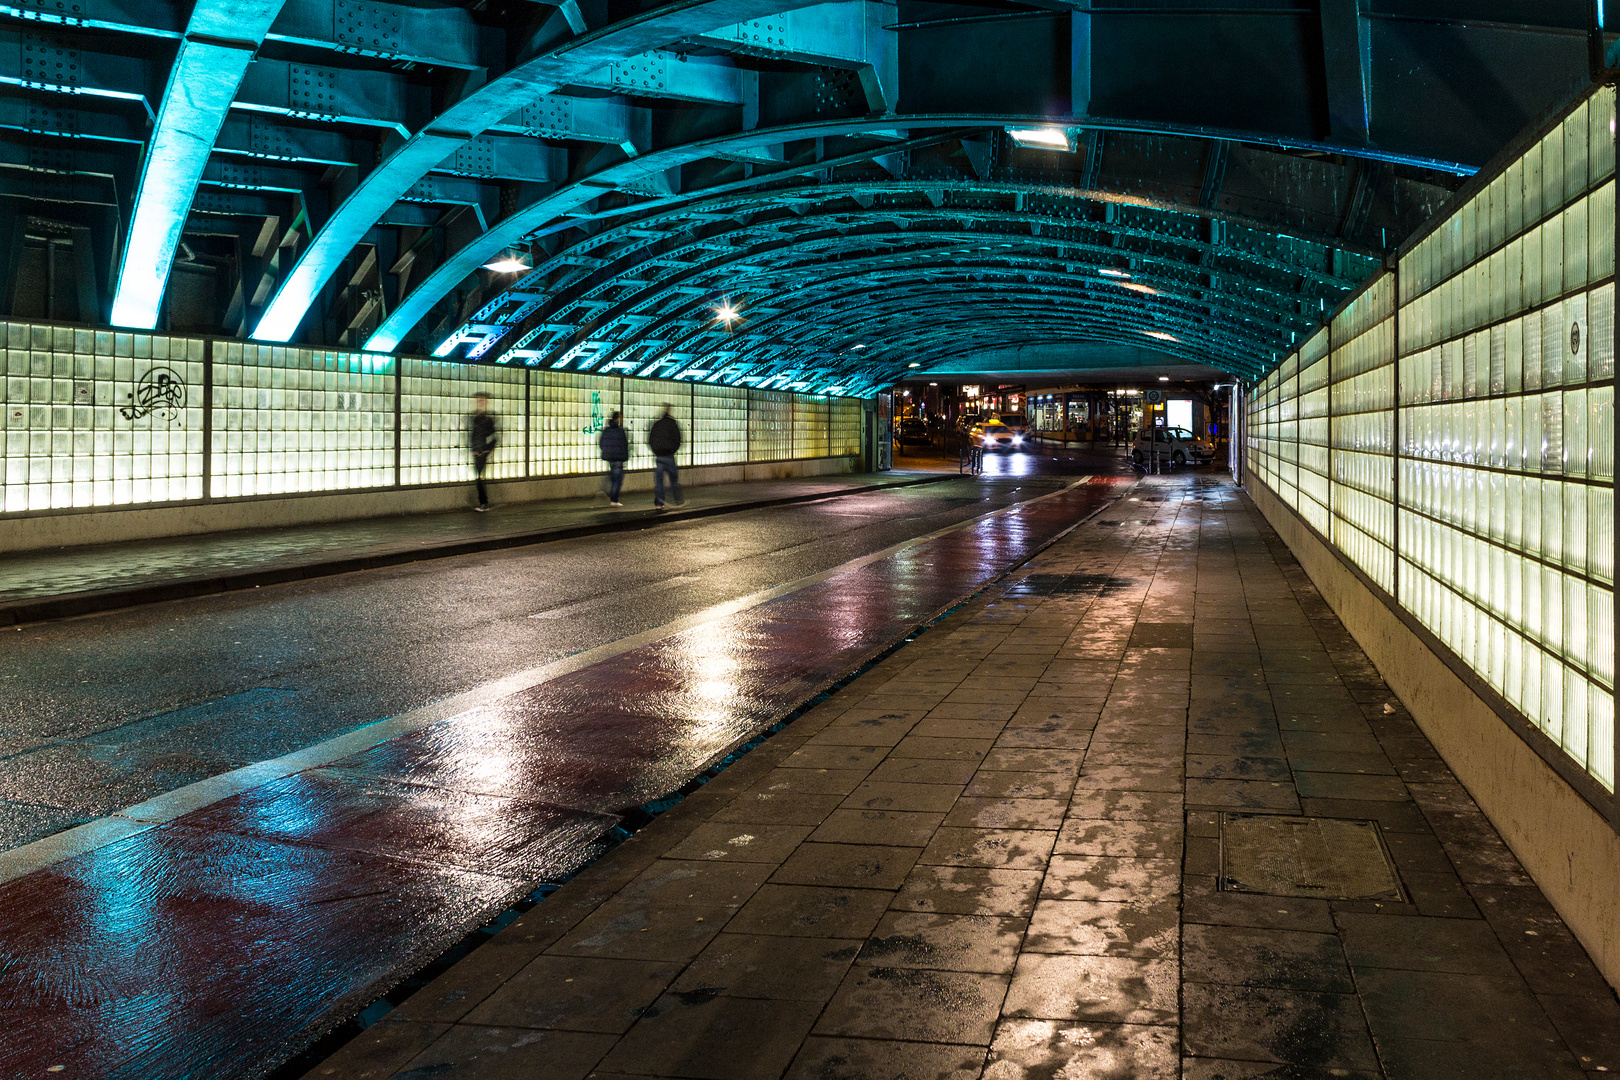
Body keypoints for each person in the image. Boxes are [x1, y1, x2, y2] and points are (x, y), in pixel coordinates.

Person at [648, 403, 684, 508]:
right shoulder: (673, 424)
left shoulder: (657, 424)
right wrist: (672, 450)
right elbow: (678, 440)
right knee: (673, 479)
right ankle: (678, 500)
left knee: (659, 481)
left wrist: (656, 451)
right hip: (669, 455)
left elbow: (651, 439)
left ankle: (659, 501)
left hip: (659, 456)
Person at [467, 392, 497, 511]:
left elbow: (493, 437)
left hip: (481, 453)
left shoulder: (487, 420)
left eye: (482, 401)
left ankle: (484, 503)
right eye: (478, 400)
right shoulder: (475, 418)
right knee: (479, 477)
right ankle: (483, 503)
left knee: (479, 477)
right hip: (477, 452)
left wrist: (485, 450)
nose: (480, 403)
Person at [598, 410, 628, 506]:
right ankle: (614, 500)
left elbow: (602, 443)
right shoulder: (620, 431)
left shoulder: (606, 430)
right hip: (618, 458)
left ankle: (609, 493)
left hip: (610, 458)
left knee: (613, 477)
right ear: (618, 418)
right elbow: (624, 445)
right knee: (617, 479)